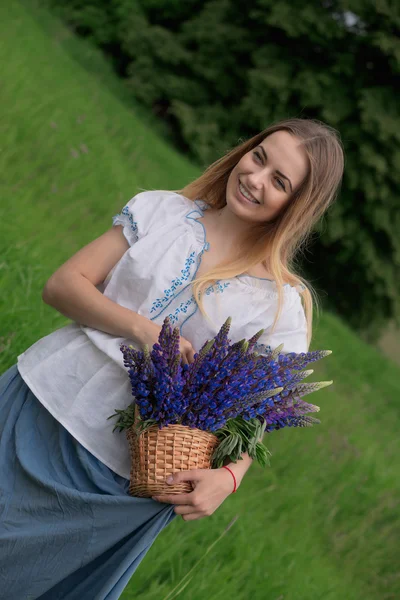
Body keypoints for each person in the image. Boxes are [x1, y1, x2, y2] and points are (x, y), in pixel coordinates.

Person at [0, 117, 344, 599]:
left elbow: (253, 418)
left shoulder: (280, 307)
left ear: (297, 207)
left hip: (119, 475)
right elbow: (62, 286)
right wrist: (143, 330)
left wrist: (229, 477)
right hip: (39, 401)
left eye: (279, 182)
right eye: (259, 157)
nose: (255, 178)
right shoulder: (162, 212)